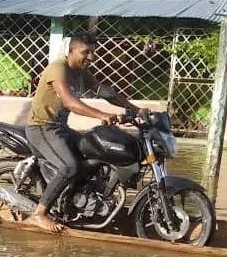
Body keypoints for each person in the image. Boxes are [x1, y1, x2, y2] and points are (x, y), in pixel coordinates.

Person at [26, 33, 147, 232]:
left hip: (60, 129)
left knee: (96, 150)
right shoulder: (59, 69)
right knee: (70, 167)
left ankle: (77, 200)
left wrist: (135, 110)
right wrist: (101, 115)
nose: (91, 57)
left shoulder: (82, 72)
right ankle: (39, 213)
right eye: (85, 52)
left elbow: (108, 93)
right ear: (71, 51)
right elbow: (69, 102)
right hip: (41, 128)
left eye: (93, 53)